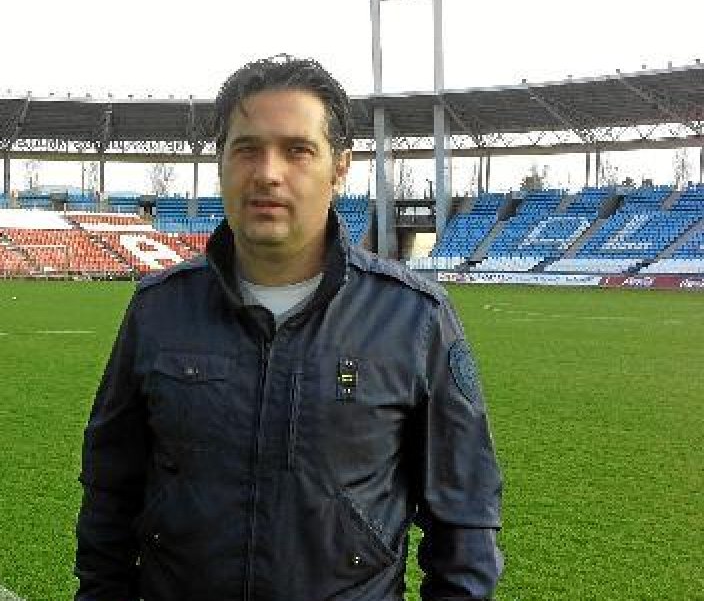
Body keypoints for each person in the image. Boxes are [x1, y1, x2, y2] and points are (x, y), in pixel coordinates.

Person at [74, 56, 503, 600]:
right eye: (247, 149)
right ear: (222, 163)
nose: (268, 173)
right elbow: (110, 493)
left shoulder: (414, 317)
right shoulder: (159, 309)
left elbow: (464, 517)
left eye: (297, 150)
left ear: (339, 166)